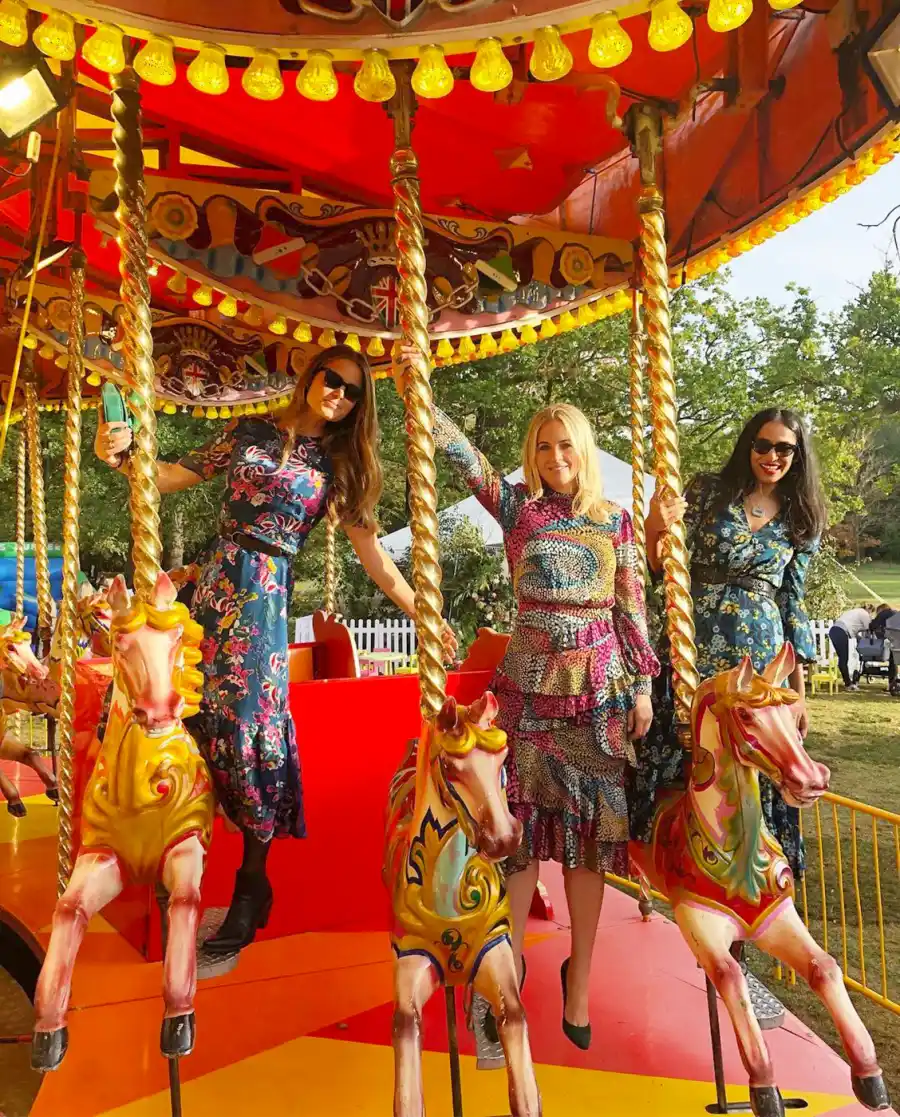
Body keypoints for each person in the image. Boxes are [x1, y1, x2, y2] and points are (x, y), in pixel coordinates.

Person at [95, 345, 456, 959]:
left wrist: (423, 611)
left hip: (264, 600)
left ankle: (251, 883)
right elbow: (171, 475)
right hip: (213, 586)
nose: (337, 394)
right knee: (178, 715)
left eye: (351, 392)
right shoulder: (250, 430)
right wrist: (123, 454)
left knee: (246, 728)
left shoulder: (337, 466)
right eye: (330, 379)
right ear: (311, 375)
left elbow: (374, 558)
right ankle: (173, 855)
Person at [400, 369, 657, 1049]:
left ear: (586, 449)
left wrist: (644, 686)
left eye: (566, 446)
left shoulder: (616, 521)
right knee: (517, 840)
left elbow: (632, 609)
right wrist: (420, 401)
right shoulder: (521, 510)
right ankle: (505, 970)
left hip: (596, 693)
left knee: (586, 847)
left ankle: (580, 979)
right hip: (528, 688)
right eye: (543, 447)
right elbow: (467, 463)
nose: (556, 458)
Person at [638, 407, 827, 876]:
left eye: (785, 448)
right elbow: (661, 566)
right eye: (763, 445)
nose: (772, 456)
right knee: (688, 755)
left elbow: (793, 605)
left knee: (751, 763)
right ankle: (674, 867)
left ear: (798, 456)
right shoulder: (708, 491)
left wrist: (798, 696)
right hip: (695, 644)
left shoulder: (802, 519)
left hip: (760, 656)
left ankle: (747, 883)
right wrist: (654, 525)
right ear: (748, 446)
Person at [828, 604, 874, 690]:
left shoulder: (853, 612)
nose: (870, 615)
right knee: (844, 659)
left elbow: (853, 628)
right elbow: (869, 627)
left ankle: (847, 682)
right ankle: (848, 684)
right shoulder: (864, 613)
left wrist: (859, 638)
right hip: (841, 632)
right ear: (869, 610)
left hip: (834, 630)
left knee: (842, 658)